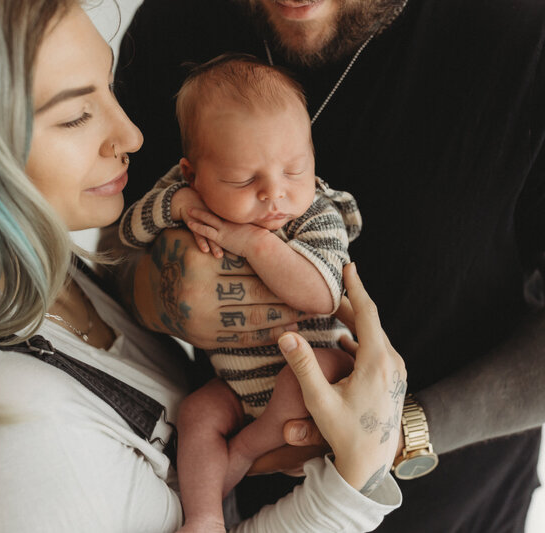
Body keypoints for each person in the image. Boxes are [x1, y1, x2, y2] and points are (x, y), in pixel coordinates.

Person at [108, 0, 545, 530]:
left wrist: (395, 431)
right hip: (234, 503)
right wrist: (159, 291)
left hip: (453, 513)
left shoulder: (534, 32)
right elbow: (113, 246)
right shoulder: (176, 20)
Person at [0, 1, 406, 531]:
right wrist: (351, 486)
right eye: (76, 114)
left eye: (109, 86)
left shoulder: (49, 272)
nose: (132, 135)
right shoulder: (21, 435)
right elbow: (134, 230)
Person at [118, 54, 366, 531]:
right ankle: (205, 518)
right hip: (235, 384)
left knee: (317, 366)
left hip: (314, 380)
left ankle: (245, 450)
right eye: (243, 179)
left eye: (294, 170)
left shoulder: (316, 214)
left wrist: (252, 242)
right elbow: (129, 233)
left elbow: (321, 295)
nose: (274, 193)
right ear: (193, 174)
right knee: (196, 413)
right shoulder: (192, 199)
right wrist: (176, 204)